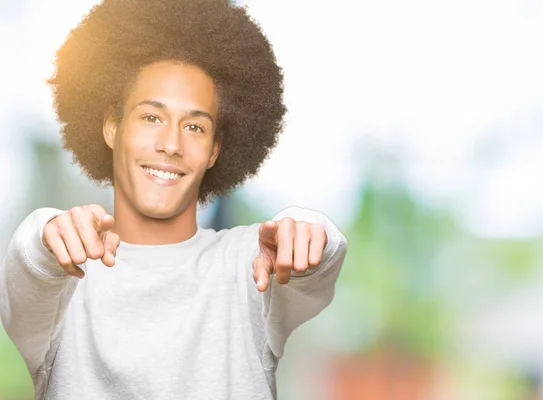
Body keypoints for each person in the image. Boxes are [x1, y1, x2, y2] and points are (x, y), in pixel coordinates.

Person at [0, 0, 347, 399]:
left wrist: (306, 231)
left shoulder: (249, 265)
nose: (171, 144)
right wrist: (45, 234)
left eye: (195, 127)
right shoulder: (63, 271)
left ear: (214, 151)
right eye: (151, 117)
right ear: (113, 127)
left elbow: (319, 267)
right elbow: (26, 271)